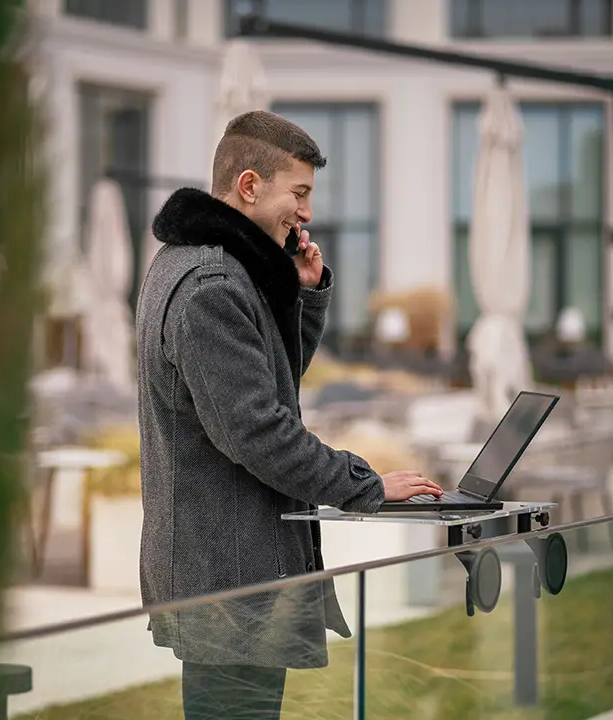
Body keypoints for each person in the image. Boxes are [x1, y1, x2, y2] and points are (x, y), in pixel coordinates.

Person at [134, 110, 442, 719]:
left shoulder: (195, 266)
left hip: (219, 569)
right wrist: (365, 486)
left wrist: (303, 292)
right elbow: (257, 430)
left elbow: (263, 387)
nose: (305, 213)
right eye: (297, 193)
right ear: (249, 186)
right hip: (230, 577)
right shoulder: (211, 286)